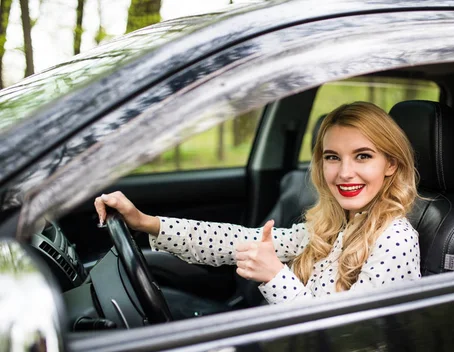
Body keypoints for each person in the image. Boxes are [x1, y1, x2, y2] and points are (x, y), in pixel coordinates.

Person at [95, 102, 421, 305]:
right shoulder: (334, 225)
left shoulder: (396, 239)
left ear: (391, 164)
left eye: (362, 156)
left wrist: (275, 276)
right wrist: (147, 222)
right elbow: (233, 240)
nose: (345, 173)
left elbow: (349, 341)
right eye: (332, 157)